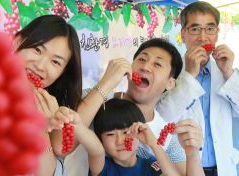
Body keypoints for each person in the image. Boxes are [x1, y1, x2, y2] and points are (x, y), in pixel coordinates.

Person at [60, 38, 204, 176]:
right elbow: (61, 146)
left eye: (157, 64)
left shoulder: (166, 139)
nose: (146, 67)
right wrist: (107, 82)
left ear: (170, 83)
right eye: (142, 59)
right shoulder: (94, 98)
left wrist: (193, 155)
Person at [0, 15, 82, 176]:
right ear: (17, 41)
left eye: (55, 62)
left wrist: (42, 129)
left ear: (63, 71)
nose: (40, 65)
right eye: (38, 50)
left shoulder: (53, 113)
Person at [155, 2, 239, 175]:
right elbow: (162, 117)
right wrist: (190, 75)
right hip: (185, 168)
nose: (203, 37)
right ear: (183, 35)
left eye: (210, 29)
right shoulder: (168, 75)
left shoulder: (228, 73)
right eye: (195, 29)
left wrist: (228, 73)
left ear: (216, 35)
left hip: (224, 168)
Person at [50, 99, 181, 176]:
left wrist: (153, 143)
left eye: (126, 132)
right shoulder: (104, 168)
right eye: (110, 134)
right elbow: (95, 149)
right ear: (101, 140)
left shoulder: (150, 165)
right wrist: (77, 124)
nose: (120, 142)